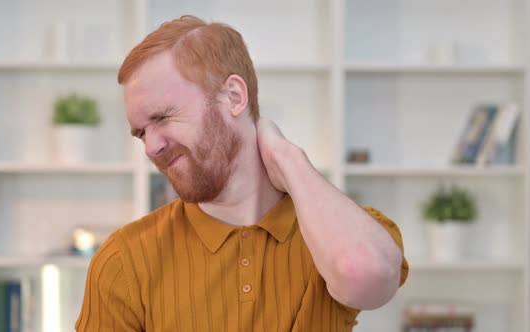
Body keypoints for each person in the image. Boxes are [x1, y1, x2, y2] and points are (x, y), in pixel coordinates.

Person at [76, 15, 409, 332]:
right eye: (141, 133)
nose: (151, 147)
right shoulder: (124, 259)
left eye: (162, 118)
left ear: (233, 96)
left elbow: (365, 275)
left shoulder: (335, 234)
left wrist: (290, 160)